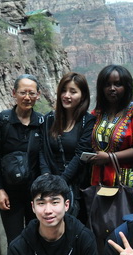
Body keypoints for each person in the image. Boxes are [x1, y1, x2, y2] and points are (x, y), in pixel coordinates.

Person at [0, 74, 44, 244]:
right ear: (14, 93)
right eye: (22, 92)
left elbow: (45, 156)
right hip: (10, 192)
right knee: (15, 240)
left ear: (38, 95)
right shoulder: (1, 121)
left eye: (32, 93)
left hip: (35, 191)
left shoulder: (42, 122)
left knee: (38, 237)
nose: (27, 97)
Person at [40, 72, 95, 221]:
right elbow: (43, 150)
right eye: (63, 91)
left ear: (83, 96)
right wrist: (46, 178)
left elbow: (81, 154)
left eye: (73, 91)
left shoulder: (88, 121)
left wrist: (61, 182)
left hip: (77, 186)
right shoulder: (49, 119)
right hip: (50, 185)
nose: (66, 95)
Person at [87, 65, 133, 187]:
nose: (112, 88)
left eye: (117, 84)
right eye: (107, 85)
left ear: (126, 87)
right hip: (98, 179)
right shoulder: (97, 114)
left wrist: (109, 157)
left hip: (126, 182)